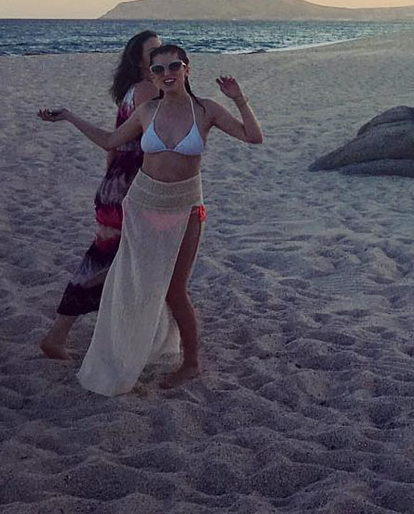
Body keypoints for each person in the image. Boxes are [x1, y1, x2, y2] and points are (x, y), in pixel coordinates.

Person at [38, 44, 263, 394]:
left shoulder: (206, 110)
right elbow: (110, 140)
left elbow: (253, 137)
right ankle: (130, 350)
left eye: (174, 66)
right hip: (142, 207)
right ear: (152, 76)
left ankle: (191, 363)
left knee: (175, 289)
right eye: (158, 69)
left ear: (187, 69)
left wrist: (239, 99)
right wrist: (69, 116)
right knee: (132, 282)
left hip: (186, 209)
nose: (166, 74)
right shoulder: (147, 110)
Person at [40, 29, 162, 360]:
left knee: (110, 257)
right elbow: (151, 141)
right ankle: (62, 335)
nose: (159, 54)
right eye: (152, 51)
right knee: (112, 262)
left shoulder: (131, 90)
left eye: (161, 48)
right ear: (140, 61)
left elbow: (114, 145)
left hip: (117, 182)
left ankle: (65, 335)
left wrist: (110, 180)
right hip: (132, 184)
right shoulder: (147, 90)